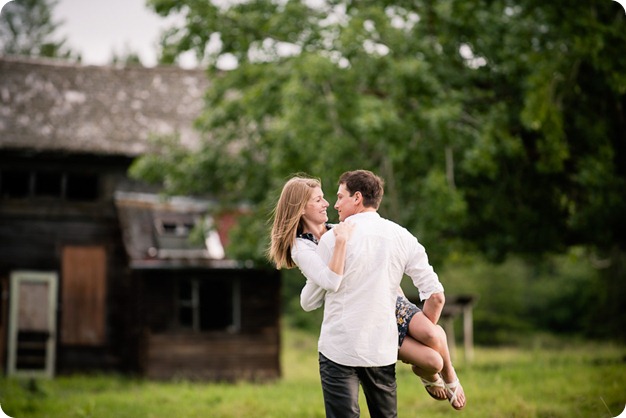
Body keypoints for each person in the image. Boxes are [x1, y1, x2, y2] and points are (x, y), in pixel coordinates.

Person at [268, 174, 465, 415]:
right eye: (319, 199)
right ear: (301, 208)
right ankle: (432, 373)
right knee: (432, 358)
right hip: (367, 326)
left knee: (432, 334)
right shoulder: (307, 245)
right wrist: (338, 247)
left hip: (391, 305)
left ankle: (448, 376)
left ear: (358, 198)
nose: (329, 203)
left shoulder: (335, 231)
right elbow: (316, 293)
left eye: (332, 197)